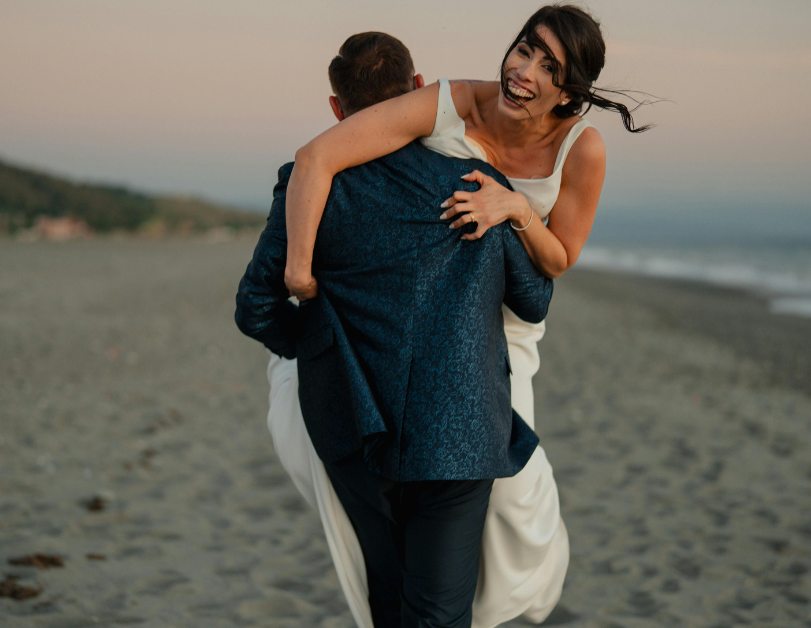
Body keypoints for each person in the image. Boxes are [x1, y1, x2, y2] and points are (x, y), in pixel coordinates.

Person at [278, 5, 651, 626]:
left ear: (571, 89)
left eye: (548, 66)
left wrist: (514, 207)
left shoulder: (581, 150)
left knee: (514, 505)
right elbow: (317, 160)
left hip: (499, 331)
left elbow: (558, 260)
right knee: (390, 485)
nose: (523, 70)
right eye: (524, 48)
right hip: (409, 314)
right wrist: (297, 268)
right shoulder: (446, 102)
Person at [235, 30, 554, 628]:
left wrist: (320, 346)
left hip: (352, 425)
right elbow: (534, 302)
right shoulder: (476, 184)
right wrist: (517, 212)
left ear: (336, 110)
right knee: (437, 612)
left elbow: (255, 306)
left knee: (387, 597)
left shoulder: (308, 185)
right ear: (414, 90)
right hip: (460, 426)